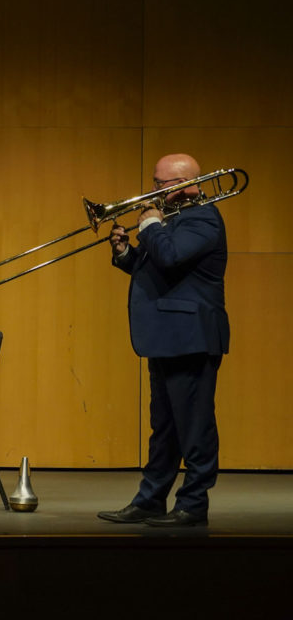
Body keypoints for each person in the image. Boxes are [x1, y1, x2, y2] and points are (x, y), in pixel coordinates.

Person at [98, 153, 226, 527]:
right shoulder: (174, 219)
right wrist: (125, 253)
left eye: (161, 184)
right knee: (164, 427)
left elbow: (170, 257)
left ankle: (193, 503)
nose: (152, 190)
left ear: (188, 185)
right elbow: (157, 269)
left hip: (192, 337)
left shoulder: (204, 217)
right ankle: (151, 499)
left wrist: (151, 225)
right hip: (166, 336)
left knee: (194, 426)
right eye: (154, 182)